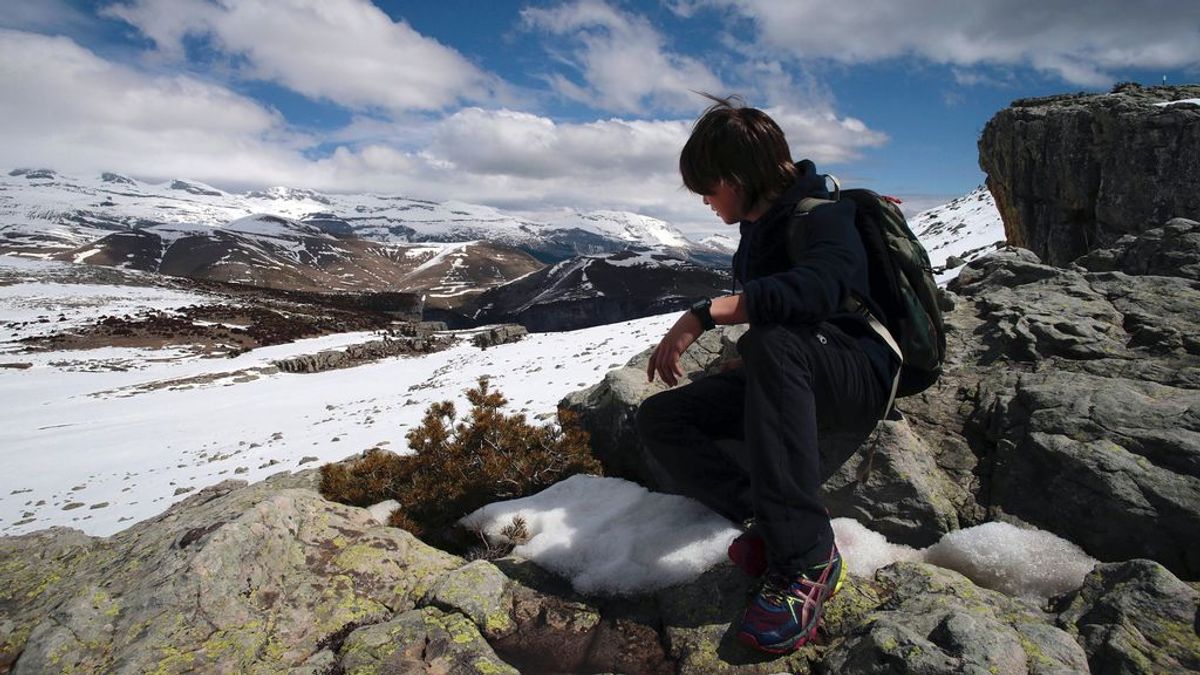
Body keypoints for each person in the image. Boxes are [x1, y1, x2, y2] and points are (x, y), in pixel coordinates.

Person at [636, 96, 898, 654]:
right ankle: (770, 519)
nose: (706, 201)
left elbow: (818, 290)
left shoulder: (825, 215)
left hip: (860, 374)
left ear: (737, 177)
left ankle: (809, 560)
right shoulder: (758, 223)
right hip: (798, 366)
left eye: (709, 188)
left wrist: (705, 314)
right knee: (663, 416)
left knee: (775, 342)